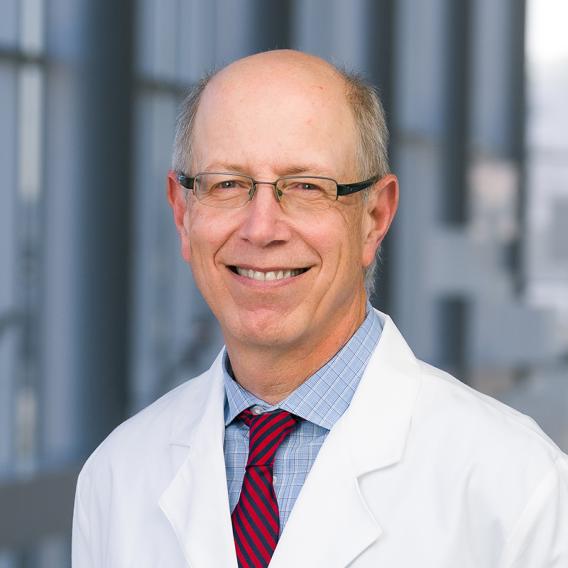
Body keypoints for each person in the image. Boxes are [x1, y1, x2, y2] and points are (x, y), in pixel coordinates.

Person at [72, 50, 568, 567]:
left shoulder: (518, 488)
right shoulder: (117, 477)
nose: (261, 229)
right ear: (183, 213)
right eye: (227, 185)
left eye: (307, 187)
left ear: (374, 217)